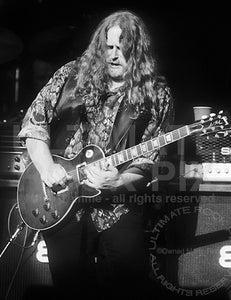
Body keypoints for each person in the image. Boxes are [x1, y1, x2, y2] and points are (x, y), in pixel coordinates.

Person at [18, 10, 174, 300]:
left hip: (119, 207)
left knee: (129, 286)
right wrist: (47, 167)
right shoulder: (70, 76)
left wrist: (119, 180)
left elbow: (151, 157)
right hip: (63, 202)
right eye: (109, 48)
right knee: (70, 288)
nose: (114, 56)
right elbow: (34, 125)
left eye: (122, 50)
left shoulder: (156, 93)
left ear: (138, 52)